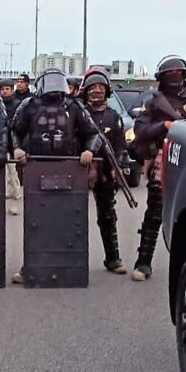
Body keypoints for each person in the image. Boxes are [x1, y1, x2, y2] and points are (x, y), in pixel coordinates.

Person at [8, 68, 101, 284]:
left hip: (68, 169)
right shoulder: (29, 106)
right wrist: (17, 149)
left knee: (66, 220)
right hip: (36, 170)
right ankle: (30, 266)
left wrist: (89, 151)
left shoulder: (74, 106)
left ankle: (68, 266)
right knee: (35, 222)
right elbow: (14, 130)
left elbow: (93, 133)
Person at [129, 55, 186, 281]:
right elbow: (140, 130)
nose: (174, 78)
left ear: (185, 76)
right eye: (169, 74)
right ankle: (143, 261)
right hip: (163, 160)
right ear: (161, 78)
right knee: (155, 211)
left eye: (178, 74)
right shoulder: (155, 102)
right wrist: (164, 125)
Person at [79, 69, 129, 274]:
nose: (96, 91)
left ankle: (113, 259)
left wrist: (121, 167)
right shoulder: (79, 113)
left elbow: (120, 145)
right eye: (92, 88)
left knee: (108, 216)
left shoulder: (113, 116)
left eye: (101, 88)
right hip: (80, 169)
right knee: (72, 215)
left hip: (106, 171)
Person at [0, 78, 23, 214]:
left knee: (13, 176)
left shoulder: (18, 105)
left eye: (7, 89)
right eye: (2, 89)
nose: (5, 91)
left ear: (12, 90)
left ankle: (13, 204)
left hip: (12, 145)